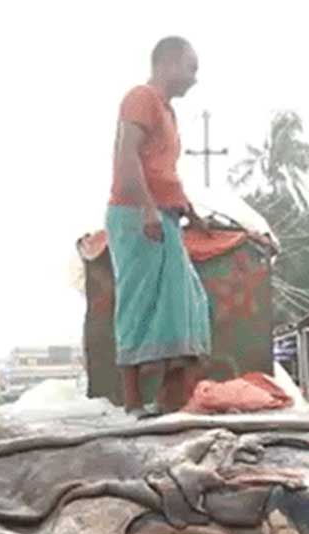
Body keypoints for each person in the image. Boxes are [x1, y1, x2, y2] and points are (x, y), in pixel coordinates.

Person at [106, 36, 211, 417]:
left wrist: (189, 211)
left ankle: (168, 394)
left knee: (189, 302)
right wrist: (148, 209)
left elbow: (163, 170)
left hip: (164, 215)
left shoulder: (169, 113)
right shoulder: (141, 98)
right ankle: (133, 402)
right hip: (136, 213)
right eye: (191, 67)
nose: (194, 78)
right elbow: (126, 159)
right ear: (167, 64)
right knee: (138, 300)